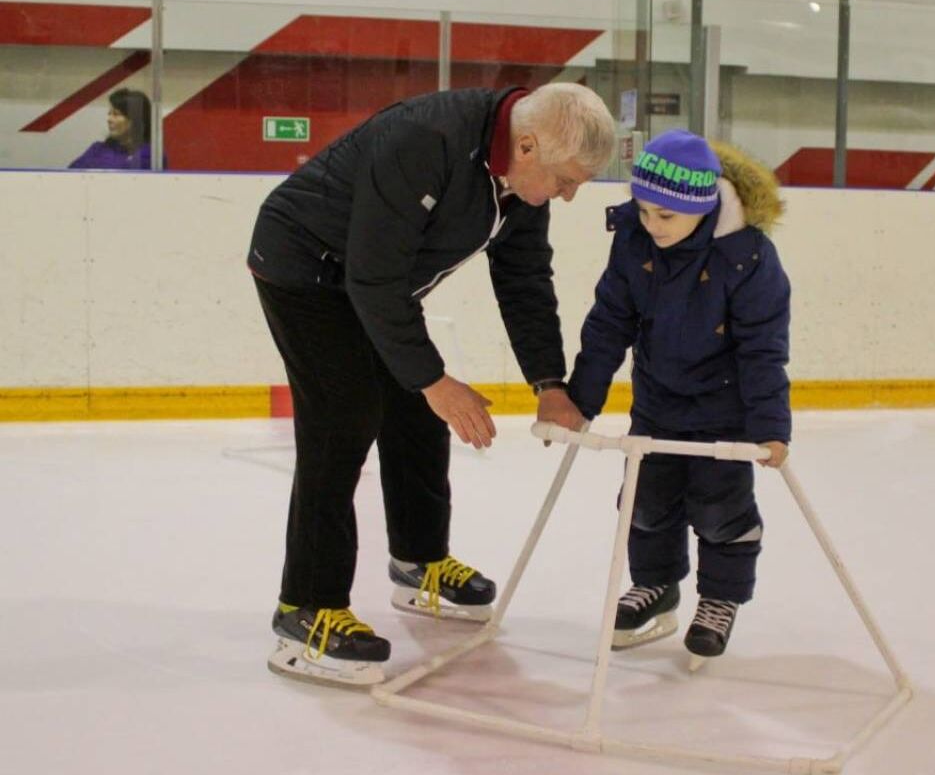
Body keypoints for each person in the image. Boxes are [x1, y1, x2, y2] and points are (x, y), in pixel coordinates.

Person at [250, 83, 615, 687]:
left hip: (375, 279)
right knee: (345, 416)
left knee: (416, 409)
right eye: (566, 180)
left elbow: (523, 277)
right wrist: (433, 380)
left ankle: (418, 562)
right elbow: (371, 280)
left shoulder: (524, 175)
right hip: (304, 267)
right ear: (525, 145)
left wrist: (548, 380)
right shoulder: (425, 141)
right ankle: (304, 608)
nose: (569, 196)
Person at [567, 129, 790, 662]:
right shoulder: (634, 242)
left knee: (719, 509)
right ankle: (656, 585)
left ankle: (718, 600)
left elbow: (763, 349)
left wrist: (770, 427)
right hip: (657, 401)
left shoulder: (749, 257)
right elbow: (608, 323)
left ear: (701, 205)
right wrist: (581, 400)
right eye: (643, 211)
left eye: (665, 216)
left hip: (724, 409)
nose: (651, 225)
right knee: (645, 503)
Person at [68, 88, 154, 170]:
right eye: (109, 113)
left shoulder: (153, 155)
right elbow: (69, 175)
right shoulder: (97, 149)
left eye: (116, 114)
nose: (109, 119)